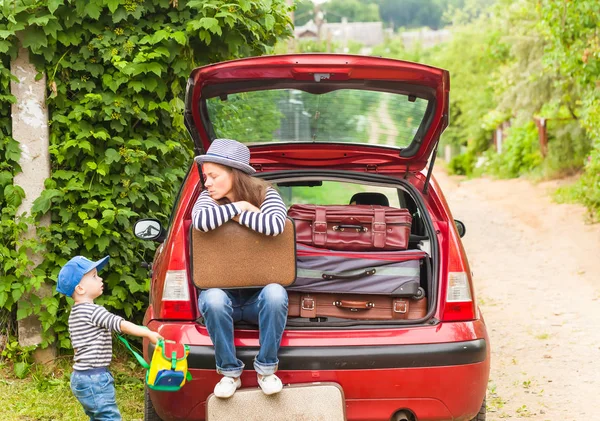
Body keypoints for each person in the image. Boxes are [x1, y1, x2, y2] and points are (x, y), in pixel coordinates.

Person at [191, 138, 289, 399]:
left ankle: (267, 369)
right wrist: (241, 207)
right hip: (224, 301)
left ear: (234, 174)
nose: (206, 182)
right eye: (205, 176)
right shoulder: (206, 199)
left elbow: (275, 226)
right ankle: (229, 372)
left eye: (213, 176)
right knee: (211, 297)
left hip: (260, 300)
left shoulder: (267, 194)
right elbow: (200, 222)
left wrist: (236, 213)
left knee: (276, 293)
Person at [57, 255, 163, 421]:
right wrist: (148, 333)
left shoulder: (75, 314)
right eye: (94, 276)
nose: (100, 278)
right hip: (95, 379)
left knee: (99, 417)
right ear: (80, 289)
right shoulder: (94, 312)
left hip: (80, 377)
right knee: (109, 418)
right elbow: (122, 325)